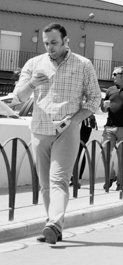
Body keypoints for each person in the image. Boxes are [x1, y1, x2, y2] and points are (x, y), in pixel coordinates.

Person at [13, 23, 101, 244]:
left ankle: (53, 224)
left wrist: (74, 120)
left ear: (65, 41)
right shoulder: (34, 64)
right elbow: (18, 98)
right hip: (39, 130)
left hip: (67, 130)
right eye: (46, 43)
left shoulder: (83, 65)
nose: (49, 47)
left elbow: (94, 100)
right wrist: (32, 83)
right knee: (45, 183)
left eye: (54, 43)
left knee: (58, 180)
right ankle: (53, 223)